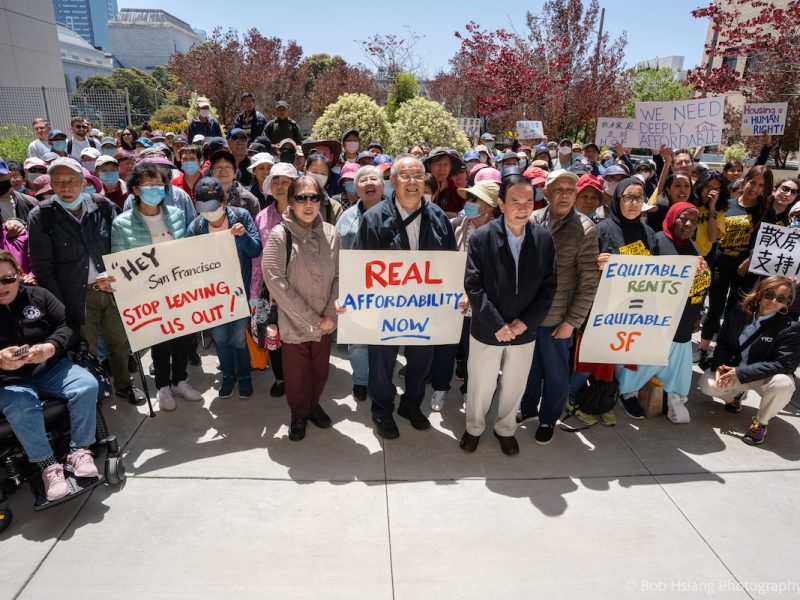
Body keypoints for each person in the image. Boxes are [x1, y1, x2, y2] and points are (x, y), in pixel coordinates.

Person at [354, 155, 457, 440]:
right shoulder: (374, 218)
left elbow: (450, 264)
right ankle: (382, 409)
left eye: (417, 176)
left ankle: (411, 405)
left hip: (426, 309)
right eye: (405, 176)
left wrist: (453, 298)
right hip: (387, 309)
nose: (412, 182)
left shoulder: (438, 217)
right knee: (382, 363)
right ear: (393, 181)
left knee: (422, 361)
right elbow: (361, 266)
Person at [27, 157, 143, 406]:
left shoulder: (102, 206)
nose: (65, 187)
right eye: (58, 182)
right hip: (73, 296)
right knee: (86, 349)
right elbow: (43, 269)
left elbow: (121, 245)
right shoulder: (41, 216)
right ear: (52, 184)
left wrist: (121, 280)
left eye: (71, 181)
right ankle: (96, 392)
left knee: (120, 342)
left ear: (83, 182)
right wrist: (59, 306)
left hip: (111, 289)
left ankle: (124, 385)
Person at [460, 174, 557, 455]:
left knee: (515, 384)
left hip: (524, 330)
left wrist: (524, 323)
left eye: (529, 201)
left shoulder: (543, 238)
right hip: (487, 329)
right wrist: (497, 324)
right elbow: (473, 286)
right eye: (515, 201)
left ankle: (505, 429)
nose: (523, 207)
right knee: (481, 384)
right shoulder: (481, 237)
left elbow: (549, 287)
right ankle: (474, 428)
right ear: (501, 204)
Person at [0, 250, 99, 501]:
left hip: (48, 368)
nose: (2, 287)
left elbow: (69, 324)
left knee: (86, 384)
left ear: (19, 275)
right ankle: (48, 467)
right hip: (9, 382)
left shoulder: (39, 295)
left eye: (7, 279)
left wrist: (51, 347)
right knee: (21, 407)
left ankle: (79, 451)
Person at [111, 161, 202, 411]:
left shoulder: (175, 214)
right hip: (148, 293)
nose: (155, 189)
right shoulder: (122, 223)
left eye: (159, 184)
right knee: (161, 342)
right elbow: (120, 263)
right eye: (148, 185)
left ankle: (180, 381)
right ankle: (163, 387)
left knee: (183, 337)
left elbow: (185, 249)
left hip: (178, 289)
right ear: (136, 190)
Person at [519, 170, 600, 444]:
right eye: (558, 189)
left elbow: (589, 282)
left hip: (558, 319)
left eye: (570, 189)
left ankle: (548, 419)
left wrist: (571, 322)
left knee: (555, 376)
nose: (564, 194)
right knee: (528, 371)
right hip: (528, 316)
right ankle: (527, 409)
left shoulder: (585, 229)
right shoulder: (531, 220)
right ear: (546, 193)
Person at [575, 177, 660, 424]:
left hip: (632, 310)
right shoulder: (601, 229)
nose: (633, 203)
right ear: (617, 199)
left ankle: (603, 401)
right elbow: (583, 268)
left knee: (612, 363)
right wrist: (599, 265)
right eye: (628, 197)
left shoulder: (649, 233)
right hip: (604, 308)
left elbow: (658, 271)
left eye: (638, 197)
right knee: (593, 361)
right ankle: (577, 400)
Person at [263, 175, 341, 441]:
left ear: (321, 200)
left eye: (314, 197)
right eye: (301, 197)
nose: (308, 203)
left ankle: (313, 406)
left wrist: (329, 314)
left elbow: (340, 276)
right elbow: (274, 279)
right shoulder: (279, 234)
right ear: (291, 201)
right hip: (293, 322)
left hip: (325, 322)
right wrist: (311, 318)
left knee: (320, 372)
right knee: (296, 378)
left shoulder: (331, 233)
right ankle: (298, 414)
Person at [617, 203, 710, 424]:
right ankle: (627, 392)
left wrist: (697, 314)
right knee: (647, 359)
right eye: (683, 219)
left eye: (694, 220)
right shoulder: (656, 241)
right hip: (656, 321)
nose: (688, 224)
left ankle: (672, 395)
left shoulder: (694, 247)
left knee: (676, 364)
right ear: (671, 218)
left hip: (683, 321)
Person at [700, 276, 800, 445]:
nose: (773, 301)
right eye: (769, 294)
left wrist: (741, 373)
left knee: (784, 383)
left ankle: (761, 423)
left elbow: (785, 364)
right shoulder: (739, 311)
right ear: (760, 293)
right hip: (737, 370)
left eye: (781, 298)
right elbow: (723, 342)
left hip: (765, 377)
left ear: (787, 303)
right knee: (708, 384)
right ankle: (735, 397)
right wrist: (718, 366)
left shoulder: (790, 328)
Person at [188, 177, 261, 398]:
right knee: (220, 338)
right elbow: (188, 262)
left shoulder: (242, 216)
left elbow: (256, 249)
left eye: (212, 208)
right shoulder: (196, 227)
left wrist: (242, 236)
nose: (208, 213)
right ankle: (228, 376)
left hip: (238, 292)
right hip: (212, 295)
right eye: (202, 208)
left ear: (224, 202)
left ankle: (245, 377)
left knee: (238, 337)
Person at [696, 166, 774, 368]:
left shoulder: (766, 212)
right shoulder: (728, 205)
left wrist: (750, 259)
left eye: (761, 186)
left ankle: (721, 354)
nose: (755, 188)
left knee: (734, 314)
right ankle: (703, 349)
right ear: (745, 181)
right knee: (714, 309)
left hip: (745, 272)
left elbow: (767, 245)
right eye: (753, 182)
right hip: (720, 265)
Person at [335, 165, 385, 402]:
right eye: (363, 180)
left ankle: (382, 380)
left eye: (374, 178)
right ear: (356, 189)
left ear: (383, 185)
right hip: (356, 291)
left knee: (385, 341)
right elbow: (336, 253)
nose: (369, 183)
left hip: (391, 291)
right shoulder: (346, 217)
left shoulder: (398, 213)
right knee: (358, 342)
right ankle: (361, 380)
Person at [250, 162, 299, 397]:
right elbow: (257, 258)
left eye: (286, 181)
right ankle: (280, 377)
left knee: (298, 340)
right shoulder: (262, 216)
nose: (280, 186)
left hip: (302, 289)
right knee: (274, 337)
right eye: (276, 181)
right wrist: (253, 293)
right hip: (270, 292)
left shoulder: (309, 211)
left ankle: (299, 379)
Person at [208, 149, 260, 218]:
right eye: (219, 168)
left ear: (235, 173)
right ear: (212, 173)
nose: (223, 171)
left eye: (228, 168)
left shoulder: (250, 200)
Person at [692, 169, 728, 259]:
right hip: (683, 253)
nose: (712, 192)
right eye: (708, 187)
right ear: (701, 185)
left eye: (716, 189)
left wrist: (712, 209)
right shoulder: (689, 202)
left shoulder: (718, 211)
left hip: (703, 256)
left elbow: (712, 238)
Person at [305, 153, 343, 225]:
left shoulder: (334, 208)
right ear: (305, 171)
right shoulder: (291, 200)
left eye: (323, 174)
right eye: (314, 172)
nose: (318, 176)